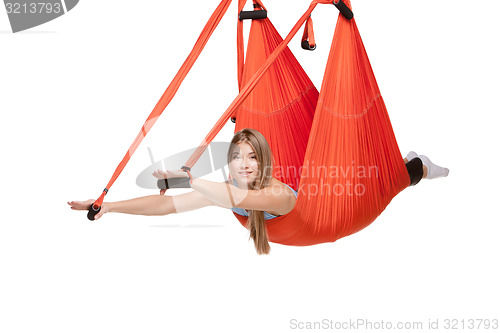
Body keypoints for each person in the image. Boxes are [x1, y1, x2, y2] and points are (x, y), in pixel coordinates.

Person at [68, 128, 449, 255]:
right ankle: (407, 165)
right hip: (321, 196)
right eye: (237, 157)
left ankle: (419, 166)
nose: (244, 164)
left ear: (263, 161)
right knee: (385, 175)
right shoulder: (226, 187)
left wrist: (188, 179)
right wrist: (109, 207)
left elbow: (240, 200)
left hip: (338, 210)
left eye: (252, 157)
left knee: (391, 182)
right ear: (229, 162)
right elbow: (167, 208)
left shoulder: (276, 194)